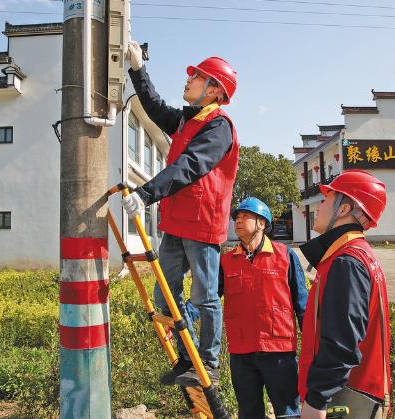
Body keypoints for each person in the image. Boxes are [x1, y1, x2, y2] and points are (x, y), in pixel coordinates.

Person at [121, 41, 239, 386]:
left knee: (204, 295)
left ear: (214, 89)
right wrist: (137, 70)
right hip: (175, 222)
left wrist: (146, 193)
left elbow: (191, 165)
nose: (188, 81)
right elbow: (156, 108)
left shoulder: (219, 127)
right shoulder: (188, 121)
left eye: (197, 77)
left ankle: (209, 363)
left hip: (202, 225)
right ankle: (188, 358)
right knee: (165, 294)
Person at [297, 170, 391, 419]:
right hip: (354, 395)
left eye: (326, 200)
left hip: (345, 399)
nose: (319, 207)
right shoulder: (355, 255)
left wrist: (317, 401)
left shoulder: (347, 261)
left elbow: (343, 343)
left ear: (343, 209)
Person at [220, 197, 307, 418]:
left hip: (279, 351)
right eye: (236, 218)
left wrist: (313, 343)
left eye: (245, 216)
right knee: (249, 412)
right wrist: (183, 316)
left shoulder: (285, 256)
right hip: (241, 351)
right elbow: (208, 298)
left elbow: (302, 303)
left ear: (261, 223)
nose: (238, 221)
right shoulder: (227, 261)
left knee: (288, 412)